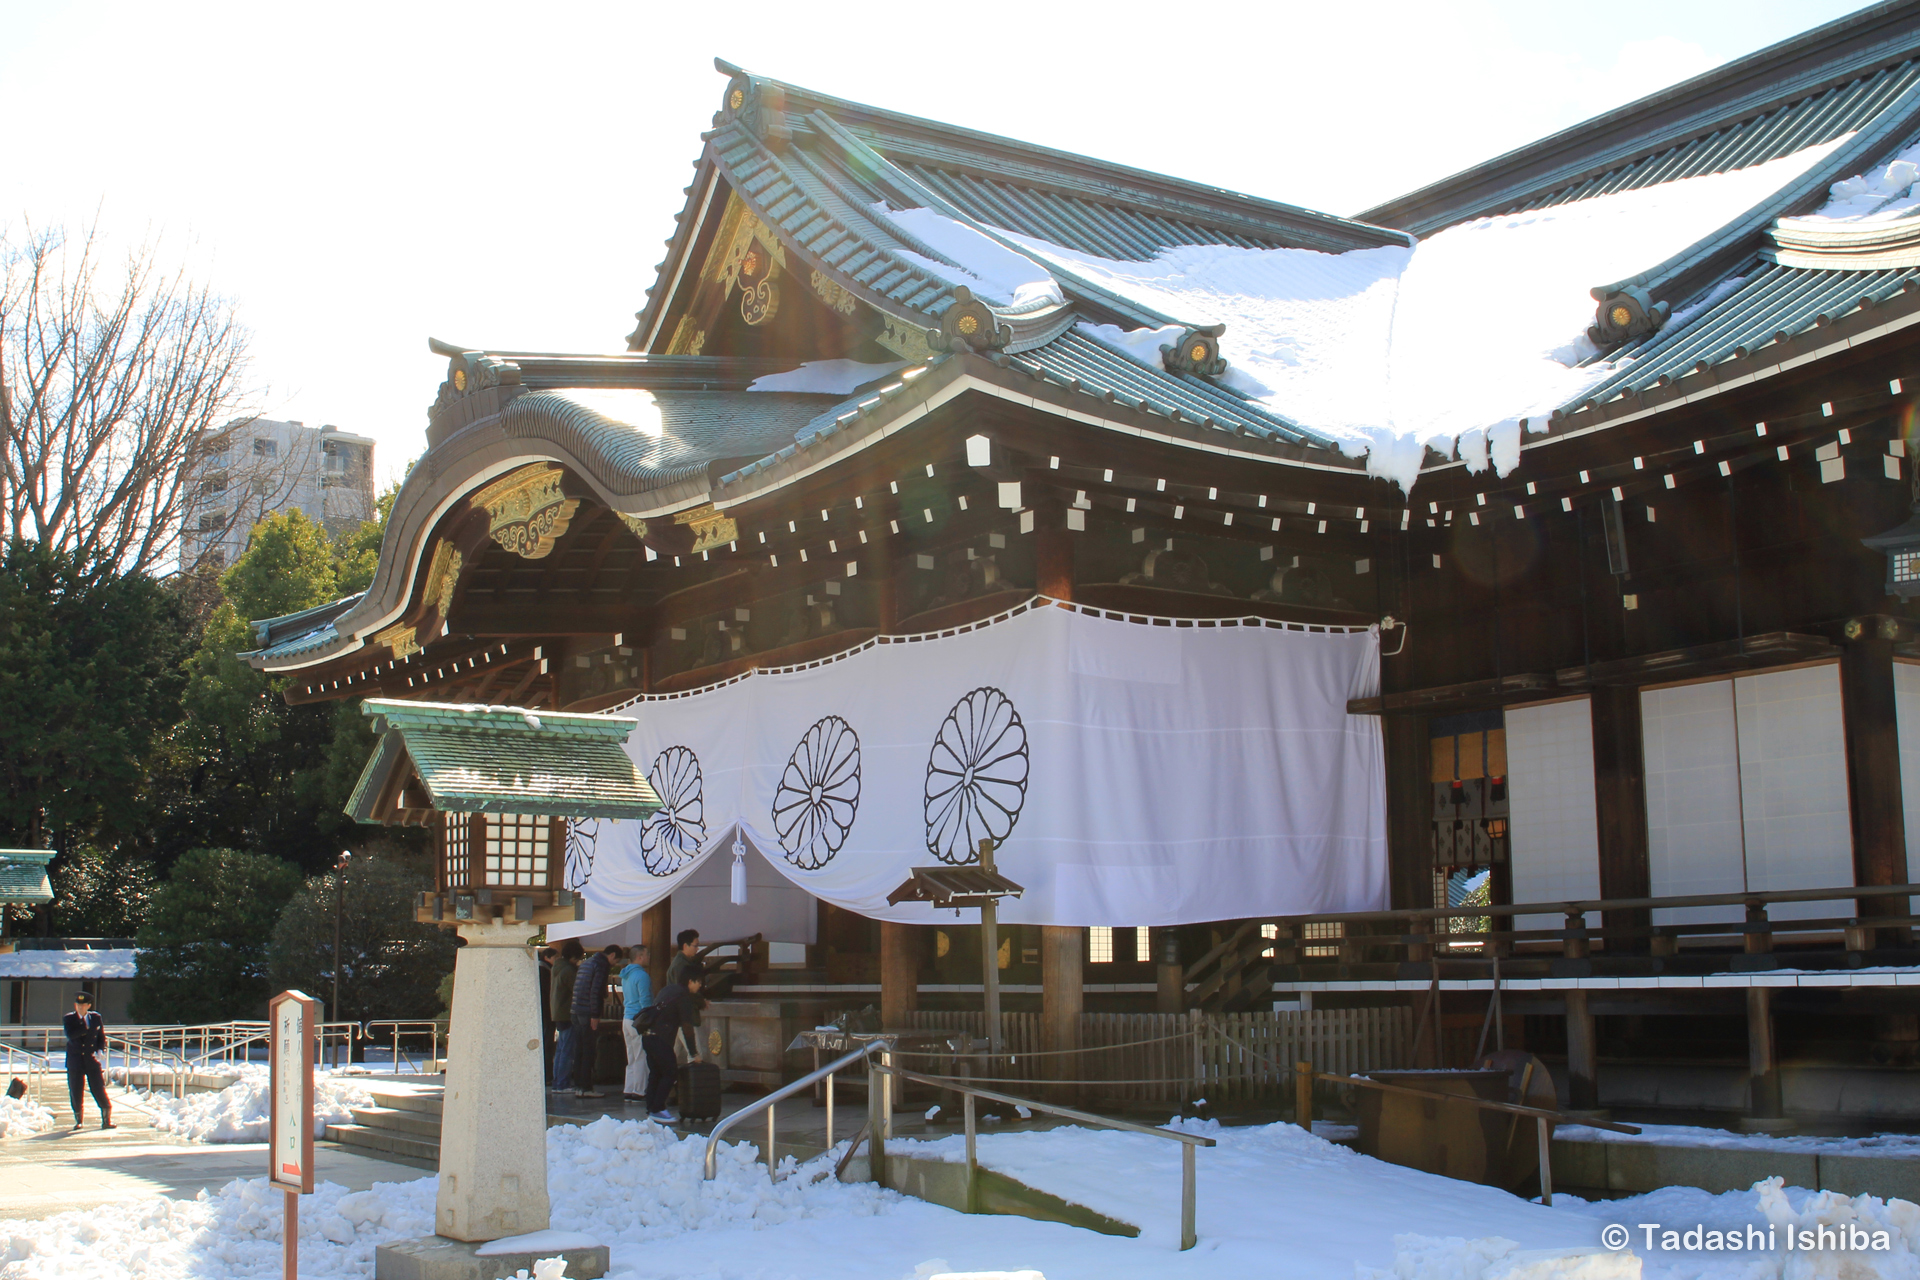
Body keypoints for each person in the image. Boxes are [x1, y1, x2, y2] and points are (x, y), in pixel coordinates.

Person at [641, 970, 703, 1123]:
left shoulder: (668, 989)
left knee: (656, 1072)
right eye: (698, 981)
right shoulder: (684, 997)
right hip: (660, 1039)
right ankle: (657, 1109)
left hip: (647, 1036)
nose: (700, 985)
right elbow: (687, 1027)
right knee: (670, 1072)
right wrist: (693, 1052)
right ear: (690, 981)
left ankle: (651, 1108)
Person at [569, 943, 624, 1099]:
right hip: (587, 1012)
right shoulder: (601, 965)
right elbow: (595, 990)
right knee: (589, 1050)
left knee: (579, 1049)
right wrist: (595, 1014)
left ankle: (578, 1085)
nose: (614, 964)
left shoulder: (587, 963)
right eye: (616, 960)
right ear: (612, 955)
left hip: (576, 1009)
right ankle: (586, 1086)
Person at [63, 991, 112, 1131]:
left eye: (83, 1005)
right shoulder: (69, 1018)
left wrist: (100, 1049)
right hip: (75, 1060)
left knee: (98, 1088)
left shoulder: (96, 1018)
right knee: (76, 1090)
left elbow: (101, 1036)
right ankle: (78, 1120)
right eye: (78, 1004)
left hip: (91, 1059)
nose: (80, 1007)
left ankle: (106, 1119)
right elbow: (71, 1035)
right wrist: (86, 1028)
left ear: (89, 1006)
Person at [618, 945, 652, 1103]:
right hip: (638, 1019)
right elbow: (645, 1000)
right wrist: (650, 1019)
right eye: (646, 954)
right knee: (641, 1056)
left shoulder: (626, 974)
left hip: (627, 1018)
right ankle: (639, 1090)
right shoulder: (642, 976)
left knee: (631, 1056)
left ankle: (629, 1088)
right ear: (640, 956)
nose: (648, 957)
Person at [549, 939, 583, 1093]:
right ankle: (562, 1083)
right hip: (567, 1013)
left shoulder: (556, 968)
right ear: (574, 957)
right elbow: (577, 990)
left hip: (557, 1012)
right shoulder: (569, 971)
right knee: (567, 1050)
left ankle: (557, 1081)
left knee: (561, 1049)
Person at [537, 946, 557, 1088]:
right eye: (555, 958)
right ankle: (547, 1074)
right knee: (547, 1043)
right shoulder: (545, 972)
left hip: (544, 1013)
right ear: (547, 958)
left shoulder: (540, 970)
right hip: (547, 1013)